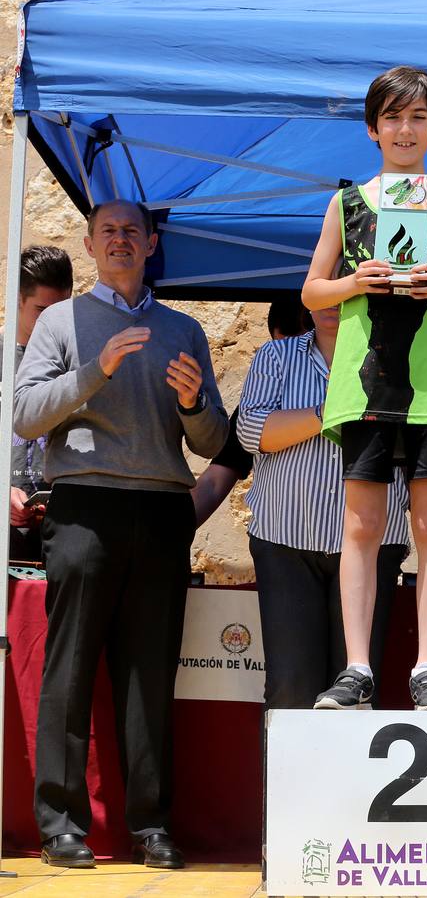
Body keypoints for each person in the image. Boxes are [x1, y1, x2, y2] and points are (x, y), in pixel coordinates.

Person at [16, 200, 228, 868]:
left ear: (151, 243)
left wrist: (194, 405)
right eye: (108, 230)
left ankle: (151, 826)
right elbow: (23, 416)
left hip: (162, 510)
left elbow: (214, 440)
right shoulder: (60, 320)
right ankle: (60, 826)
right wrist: (95, 371)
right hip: (83, 508)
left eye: (131, 231)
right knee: (69, 671)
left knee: (149, 676)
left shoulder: (183, 330)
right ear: (87, 243)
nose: (120, 240)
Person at [302, 66, 427, 711]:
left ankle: (425, 668)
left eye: (418, 118)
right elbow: (313, 290)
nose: (405, 129)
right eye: (393, 117)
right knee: (360, 525)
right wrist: (357, 281)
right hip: (365, 384)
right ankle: (357, 667)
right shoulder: (346, 204)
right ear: (372, 129)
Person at [238, 303, 411, 710]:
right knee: (290, 687)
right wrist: (331, 411)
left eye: (347, 287)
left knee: (358, 690)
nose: (335, 301)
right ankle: (289, 776)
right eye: (327, 290)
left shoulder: (395, 357)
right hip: (286, 541)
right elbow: (250, 432)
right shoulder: (275, 355)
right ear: (309, 297)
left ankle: (350, 777)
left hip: (374, 544)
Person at [191, 296, 312, 527]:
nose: (291, 362)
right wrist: (166, 539)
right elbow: (217, 478)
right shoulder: (259, 407)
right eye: (282, 351)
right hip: (281, 542)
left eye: (303, 348)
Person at [6, 246, 73, 561]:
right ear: (17, 299)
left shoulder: (79, 364)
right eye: (42, 311)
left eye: (61, 312)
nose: (53, 323)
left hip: (64, 529)